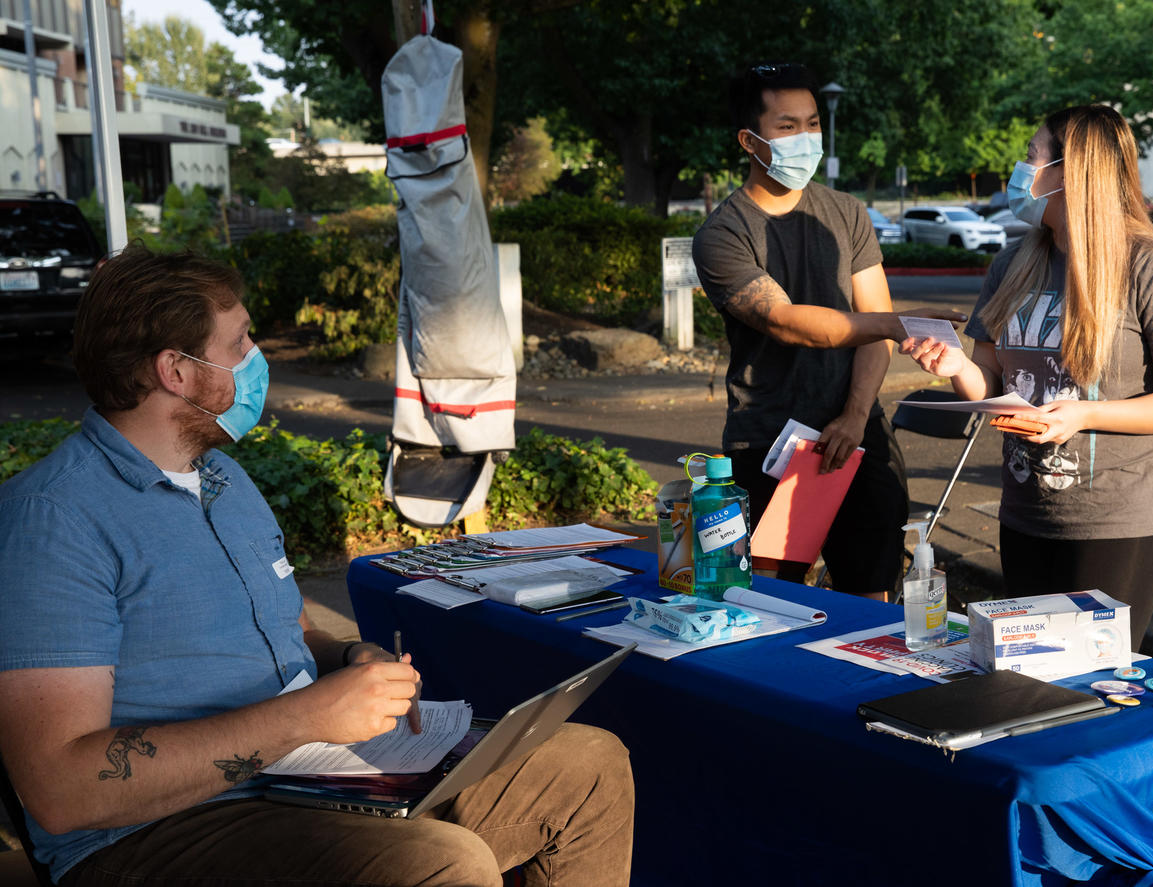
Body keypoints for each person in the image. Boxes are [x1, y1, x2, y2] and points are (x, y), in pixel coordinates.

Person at [0, 247, 634, 887]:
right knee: (438, 863)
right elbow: (62, 788)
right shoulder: (53, 518)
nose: (256, 355)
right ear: (176, 372)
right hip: (157, 834)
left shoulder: (223, 480)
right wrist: (305, 717)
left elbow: (296, 632)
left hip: (310, 776)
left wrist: (353, 659)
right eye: (239, 339)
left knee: (585, 767)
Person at [900, 104, 1153, 650]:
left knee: (1089, 689)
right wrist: (957, 367)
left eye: (1031, 156)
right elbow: (992, 386)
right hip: (1026, 511)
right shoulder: (1013, 265)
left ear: (1073, 173)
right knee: (1029, 681)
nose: (1019, 170)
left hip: (1120, 521)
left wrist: (1085, 414)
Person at [692, 62, 961, 600]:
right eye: (787, 127)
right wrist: (900, 322)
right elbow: (792, 324)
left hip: (858, 438)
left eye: (813, 123)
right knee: (765, 601)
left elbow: (873, 332)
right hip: (768, 440)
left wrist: (857, 415)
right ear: (750, 140)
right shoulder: (722, 235)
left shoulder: (846, 213)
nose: (806, 138)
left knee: (872, 598)